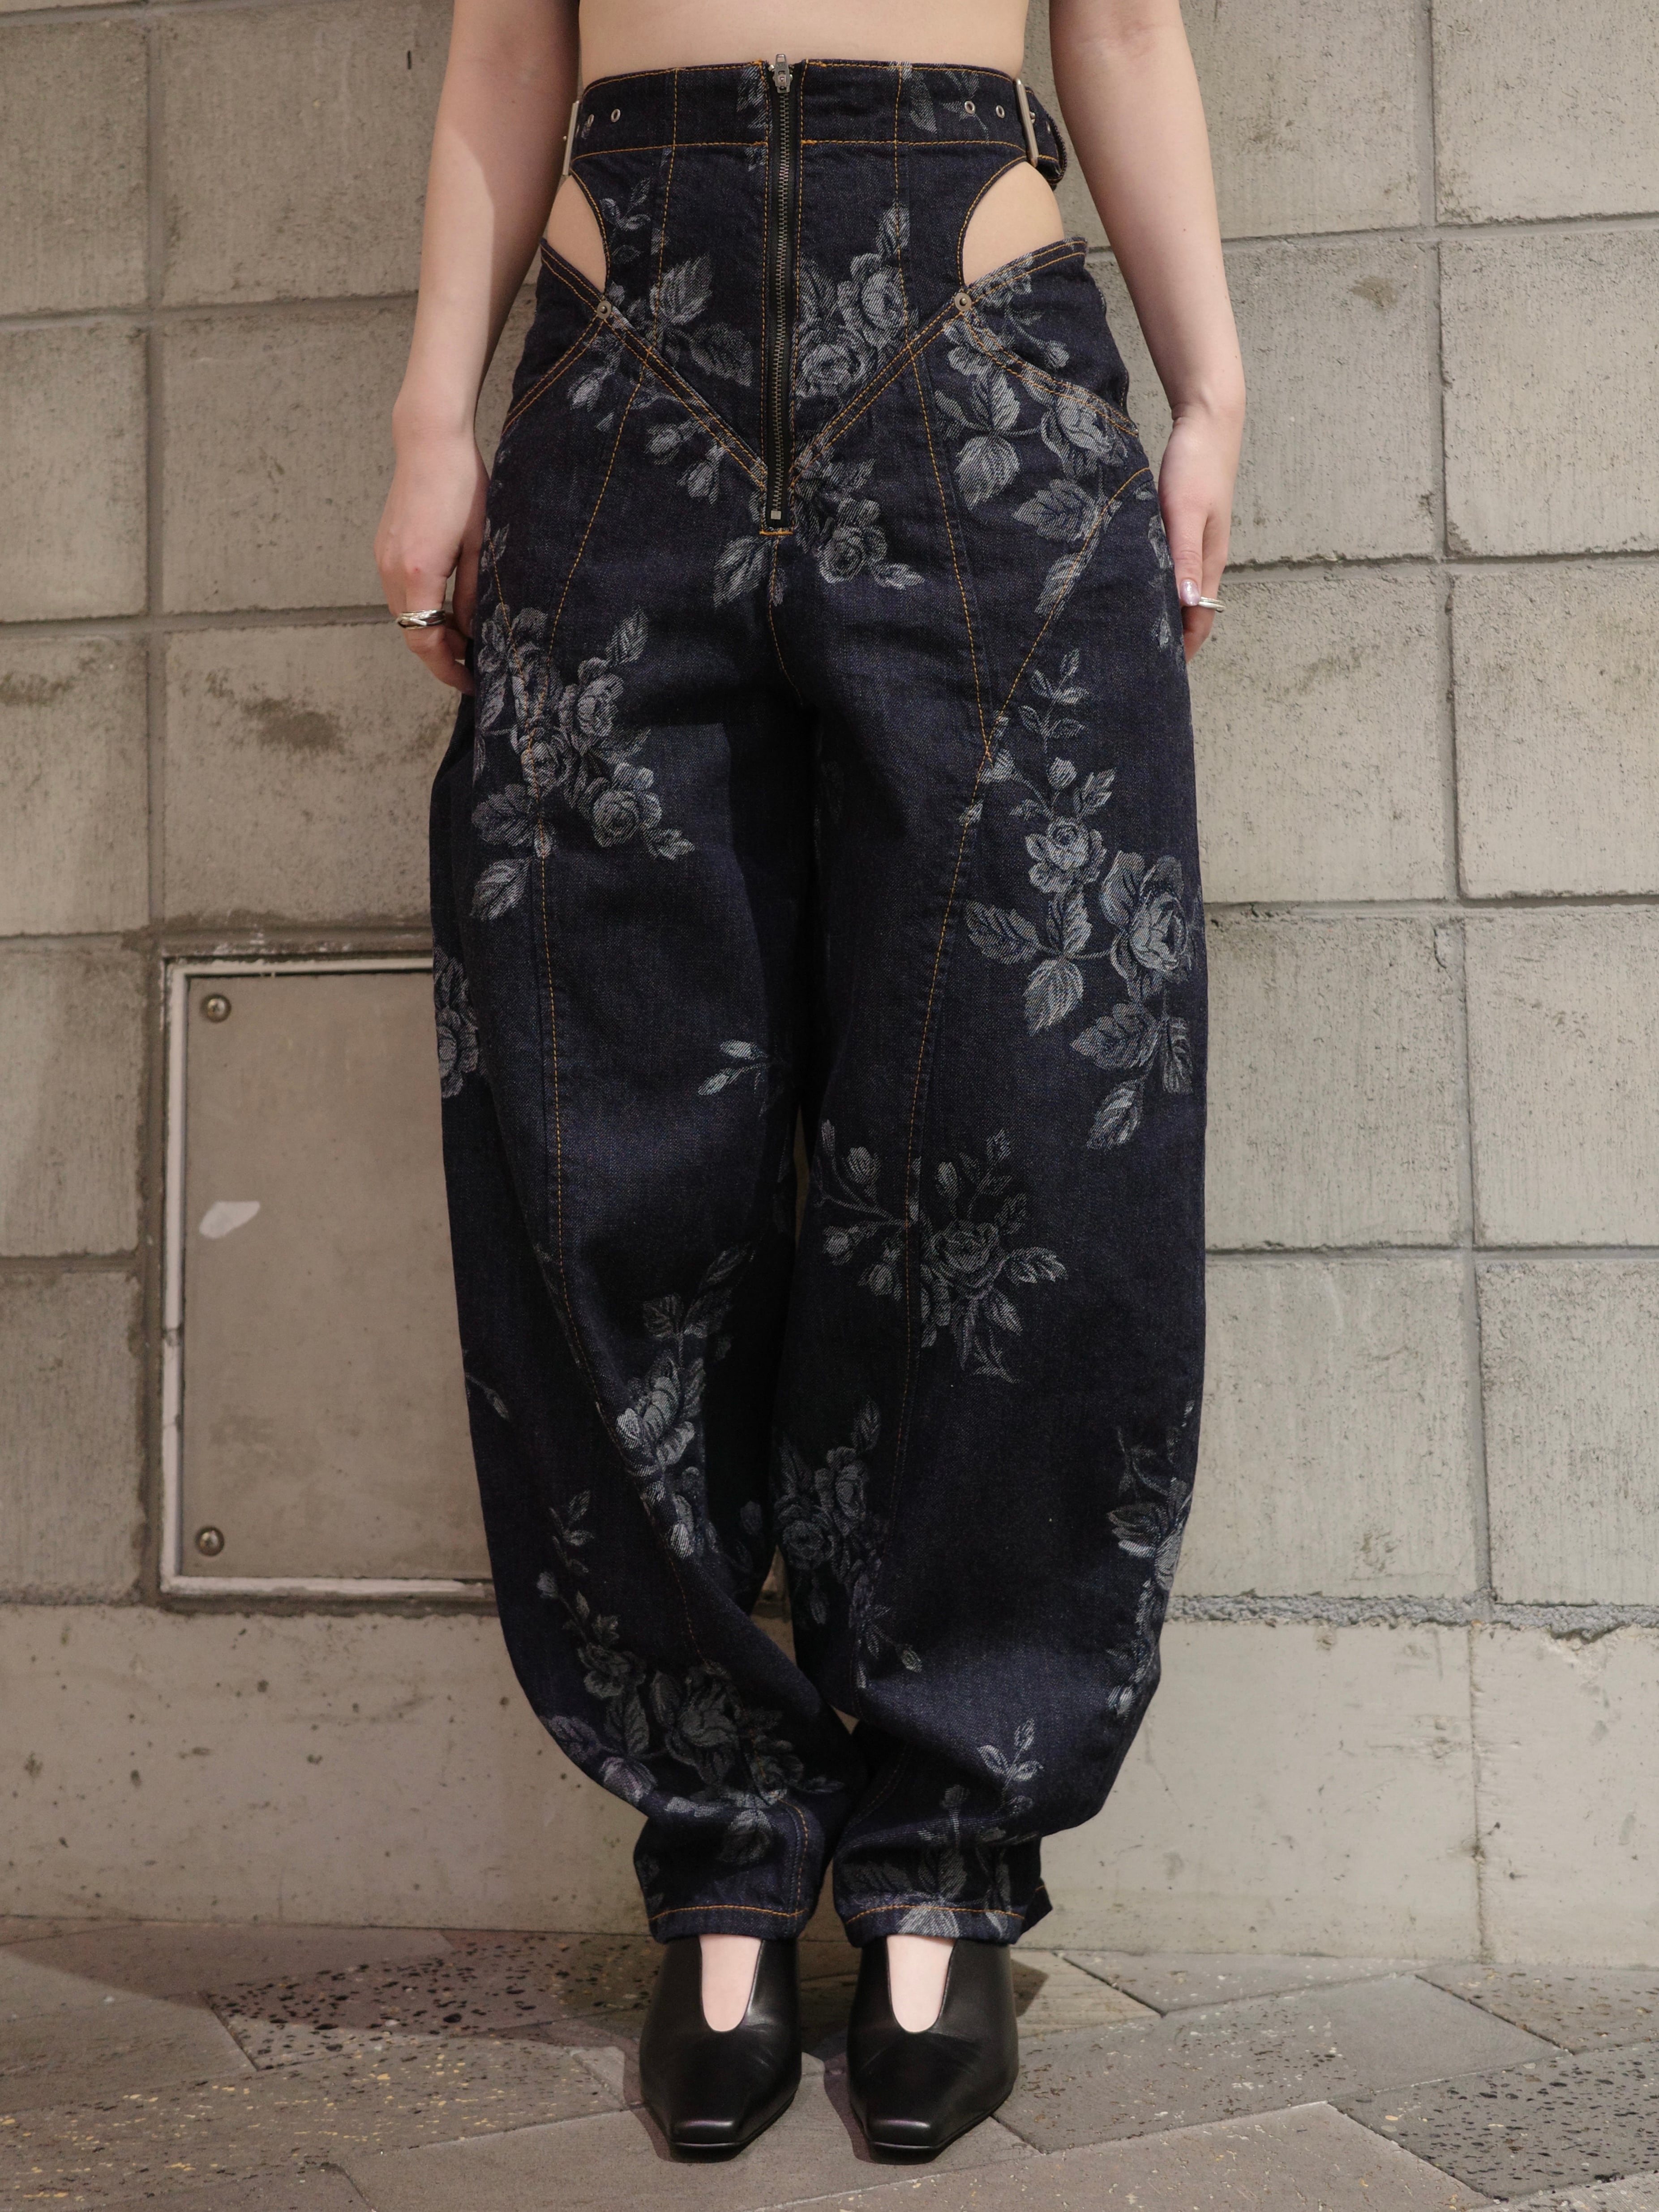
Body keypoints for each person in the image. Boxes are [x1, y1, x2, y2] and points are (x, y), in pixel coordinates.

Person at [376, 0, 1242, 2161]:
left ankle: (944, 1844)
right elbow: (507, 45)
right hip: (620, 349)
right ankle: (721, 1835)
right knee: (594, 1116)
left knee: (1034, 1116)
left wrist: (1214, 382)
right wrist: (431, 409)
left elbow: (1122, 21)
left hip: (974, 335)